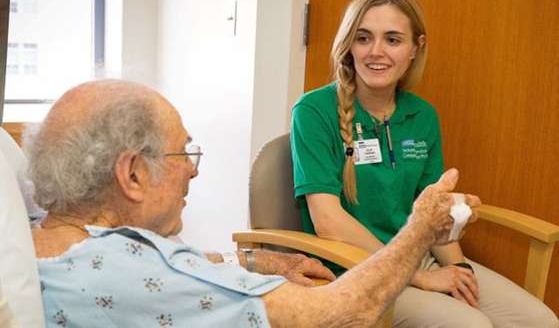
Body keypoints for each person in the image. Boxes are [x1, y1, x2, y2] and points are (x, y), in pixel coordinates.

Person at [28, 79, 476, 327]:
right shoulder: (150, 271)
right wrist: (420, 229)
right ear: (132, 175)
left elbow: (155, 268)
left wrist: (252, 260)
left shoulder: (34, 240)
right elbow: (343, 313)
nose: (193, 169)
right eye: (183, 152)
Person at [290, 0, 558, 328]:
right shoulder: (314, 110)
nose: (376, 52)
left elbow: (433, 210)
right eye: (363, 38)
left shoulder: (423, 116)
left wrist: (458, 270)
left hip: (419, 257)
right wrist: (417, 275)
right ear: (348, 46)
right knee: (471, 326)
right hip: (354, 266)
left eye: (392, 39)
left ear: (416, 48)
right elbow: (327, 222)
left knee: (540, 320)